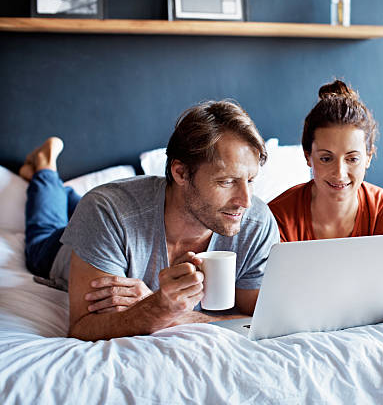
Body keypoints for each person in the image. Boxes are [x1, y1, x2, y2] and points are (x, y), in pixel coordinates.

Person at [19, 100, 280, 341]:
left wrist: (166, 312)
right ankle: (44, 168)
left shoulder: (255, 223)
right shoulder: (104, 211)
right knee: (43, 233)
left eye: (250, 180)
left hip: (121, 217)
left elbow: (264, 321)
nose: (245, 201)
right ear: (181, 172)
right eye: (226, 182)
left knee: (93, 209)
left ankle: (62, 190)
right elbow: (82, 328)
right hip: (58, 250)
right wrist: (158, 307)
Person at [268, 80, 383, 322]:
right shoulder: (277, 216)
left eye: (352, 159)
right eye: (326, 158)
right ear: (308, 157)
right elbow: (276, 299)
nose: (339, 173)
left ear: (369, 157)